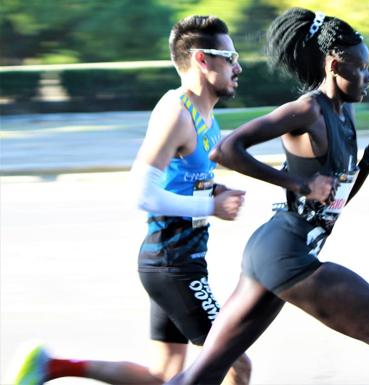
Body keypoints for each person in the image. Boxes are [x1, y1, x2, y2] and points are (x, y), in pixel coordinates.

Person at [166, 7, 369, 385]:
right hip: (285, 252)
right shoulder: (307, 110)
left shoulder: (344, 113)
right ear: (335, 65)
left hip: (276, 253)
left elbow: (334, 202)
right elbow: (226, 150)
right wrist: (298, 185)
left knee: (202, 376)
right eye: (362, 68)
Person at [7, 15, 251, 385]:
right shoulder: (176, 112)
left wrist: (213, 191)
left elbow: (178, 182)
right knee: (236, 363)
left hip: (176, 261)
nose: (238, 66)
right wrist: (210, 207)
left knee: (162, 376)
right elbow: (141, 192)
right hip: (173, 265)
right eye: (229, 57)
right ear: (202, 59)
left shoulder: (206, 116)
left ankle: (52, 367)